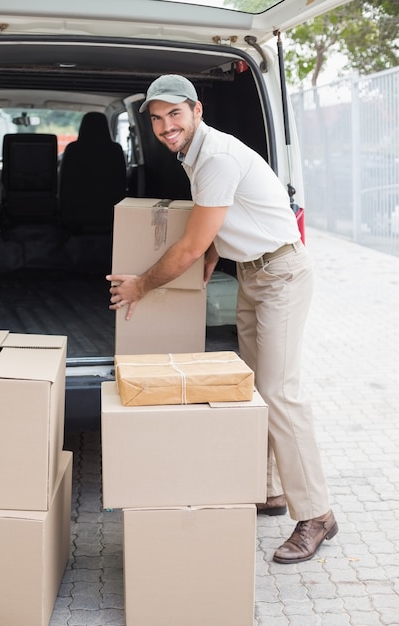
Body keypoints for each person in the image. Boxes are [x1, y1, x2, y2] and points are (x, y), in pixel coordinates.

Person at [106, 74, 338, 564]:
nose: (166, 126)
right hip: (255, 274)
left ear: (196, 110)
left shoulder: (213, 157)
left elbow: (188, 245)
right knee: (257, 387)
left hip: (280, 274)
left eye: (175, 114)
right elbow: (212, 226)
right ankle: (272, 491)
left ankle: (317, 514)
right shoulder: (195, 153)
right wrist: (215, 250)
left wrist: (140, 285)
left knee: (280, 391)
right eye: (157, 118)